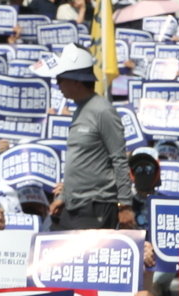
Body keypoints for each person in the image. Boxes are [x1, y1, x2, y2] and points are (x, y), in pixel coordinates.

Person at [47, 45, 134, 231]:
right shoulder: (80, 110)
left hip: (96, 207)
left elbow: (119, 160)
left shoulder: (103, 111)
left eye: (61, 79)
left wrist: (125, 205)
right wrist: (63, 197)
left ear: (76, 81)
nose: (57, 84)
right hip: (75, 206)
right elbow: (80, 161)